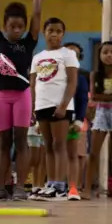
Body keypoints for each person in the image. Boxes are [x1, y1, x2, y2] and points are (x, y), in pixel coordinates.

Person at [0, 0, 41, 201]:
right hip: (2, 96)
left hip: (22, 96)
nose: (18, 30)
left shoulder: (29, 42)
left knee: (21, 142)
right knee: (3, 144)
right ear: (5, 25)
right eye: (13, 27)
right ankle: (0, 188)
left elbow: (37, 13)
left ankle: (20, 188)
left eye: (21, 26)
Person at [29, 18, 79, 201]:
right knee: (47, 146)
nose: (54, 34)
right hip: (42, 105)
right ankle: (50, 184)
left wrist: (64, 105)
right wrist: (32, 108)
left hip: (60, 105)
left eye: (58, 31)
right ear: (44, 33)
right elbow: (33, 84)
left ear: (63, 34)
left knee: (59, 145)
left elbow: (73, 82)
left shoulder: (68, 55)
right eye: (50, 30)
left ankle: (60, 186)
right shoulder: (37, 57)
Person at [84, 42, 112, 200]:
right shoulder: (95, 75)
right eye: (105, 52)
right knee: (94, 153)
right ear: (100, 56)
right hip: (102, 111)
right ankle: (87, 188)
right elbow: (95, 96)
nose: (109, 55)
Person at [65, 42, 90, 200]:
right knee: (54, 153)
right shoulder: (52, 76)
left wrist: (79, 121)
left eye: (75, 54)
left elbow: (82, 100)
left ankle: (73, 187)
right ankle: (54, 185)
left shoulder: (81, 78)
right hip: (54, 121)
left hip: (73, 122)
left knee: (75, 154)